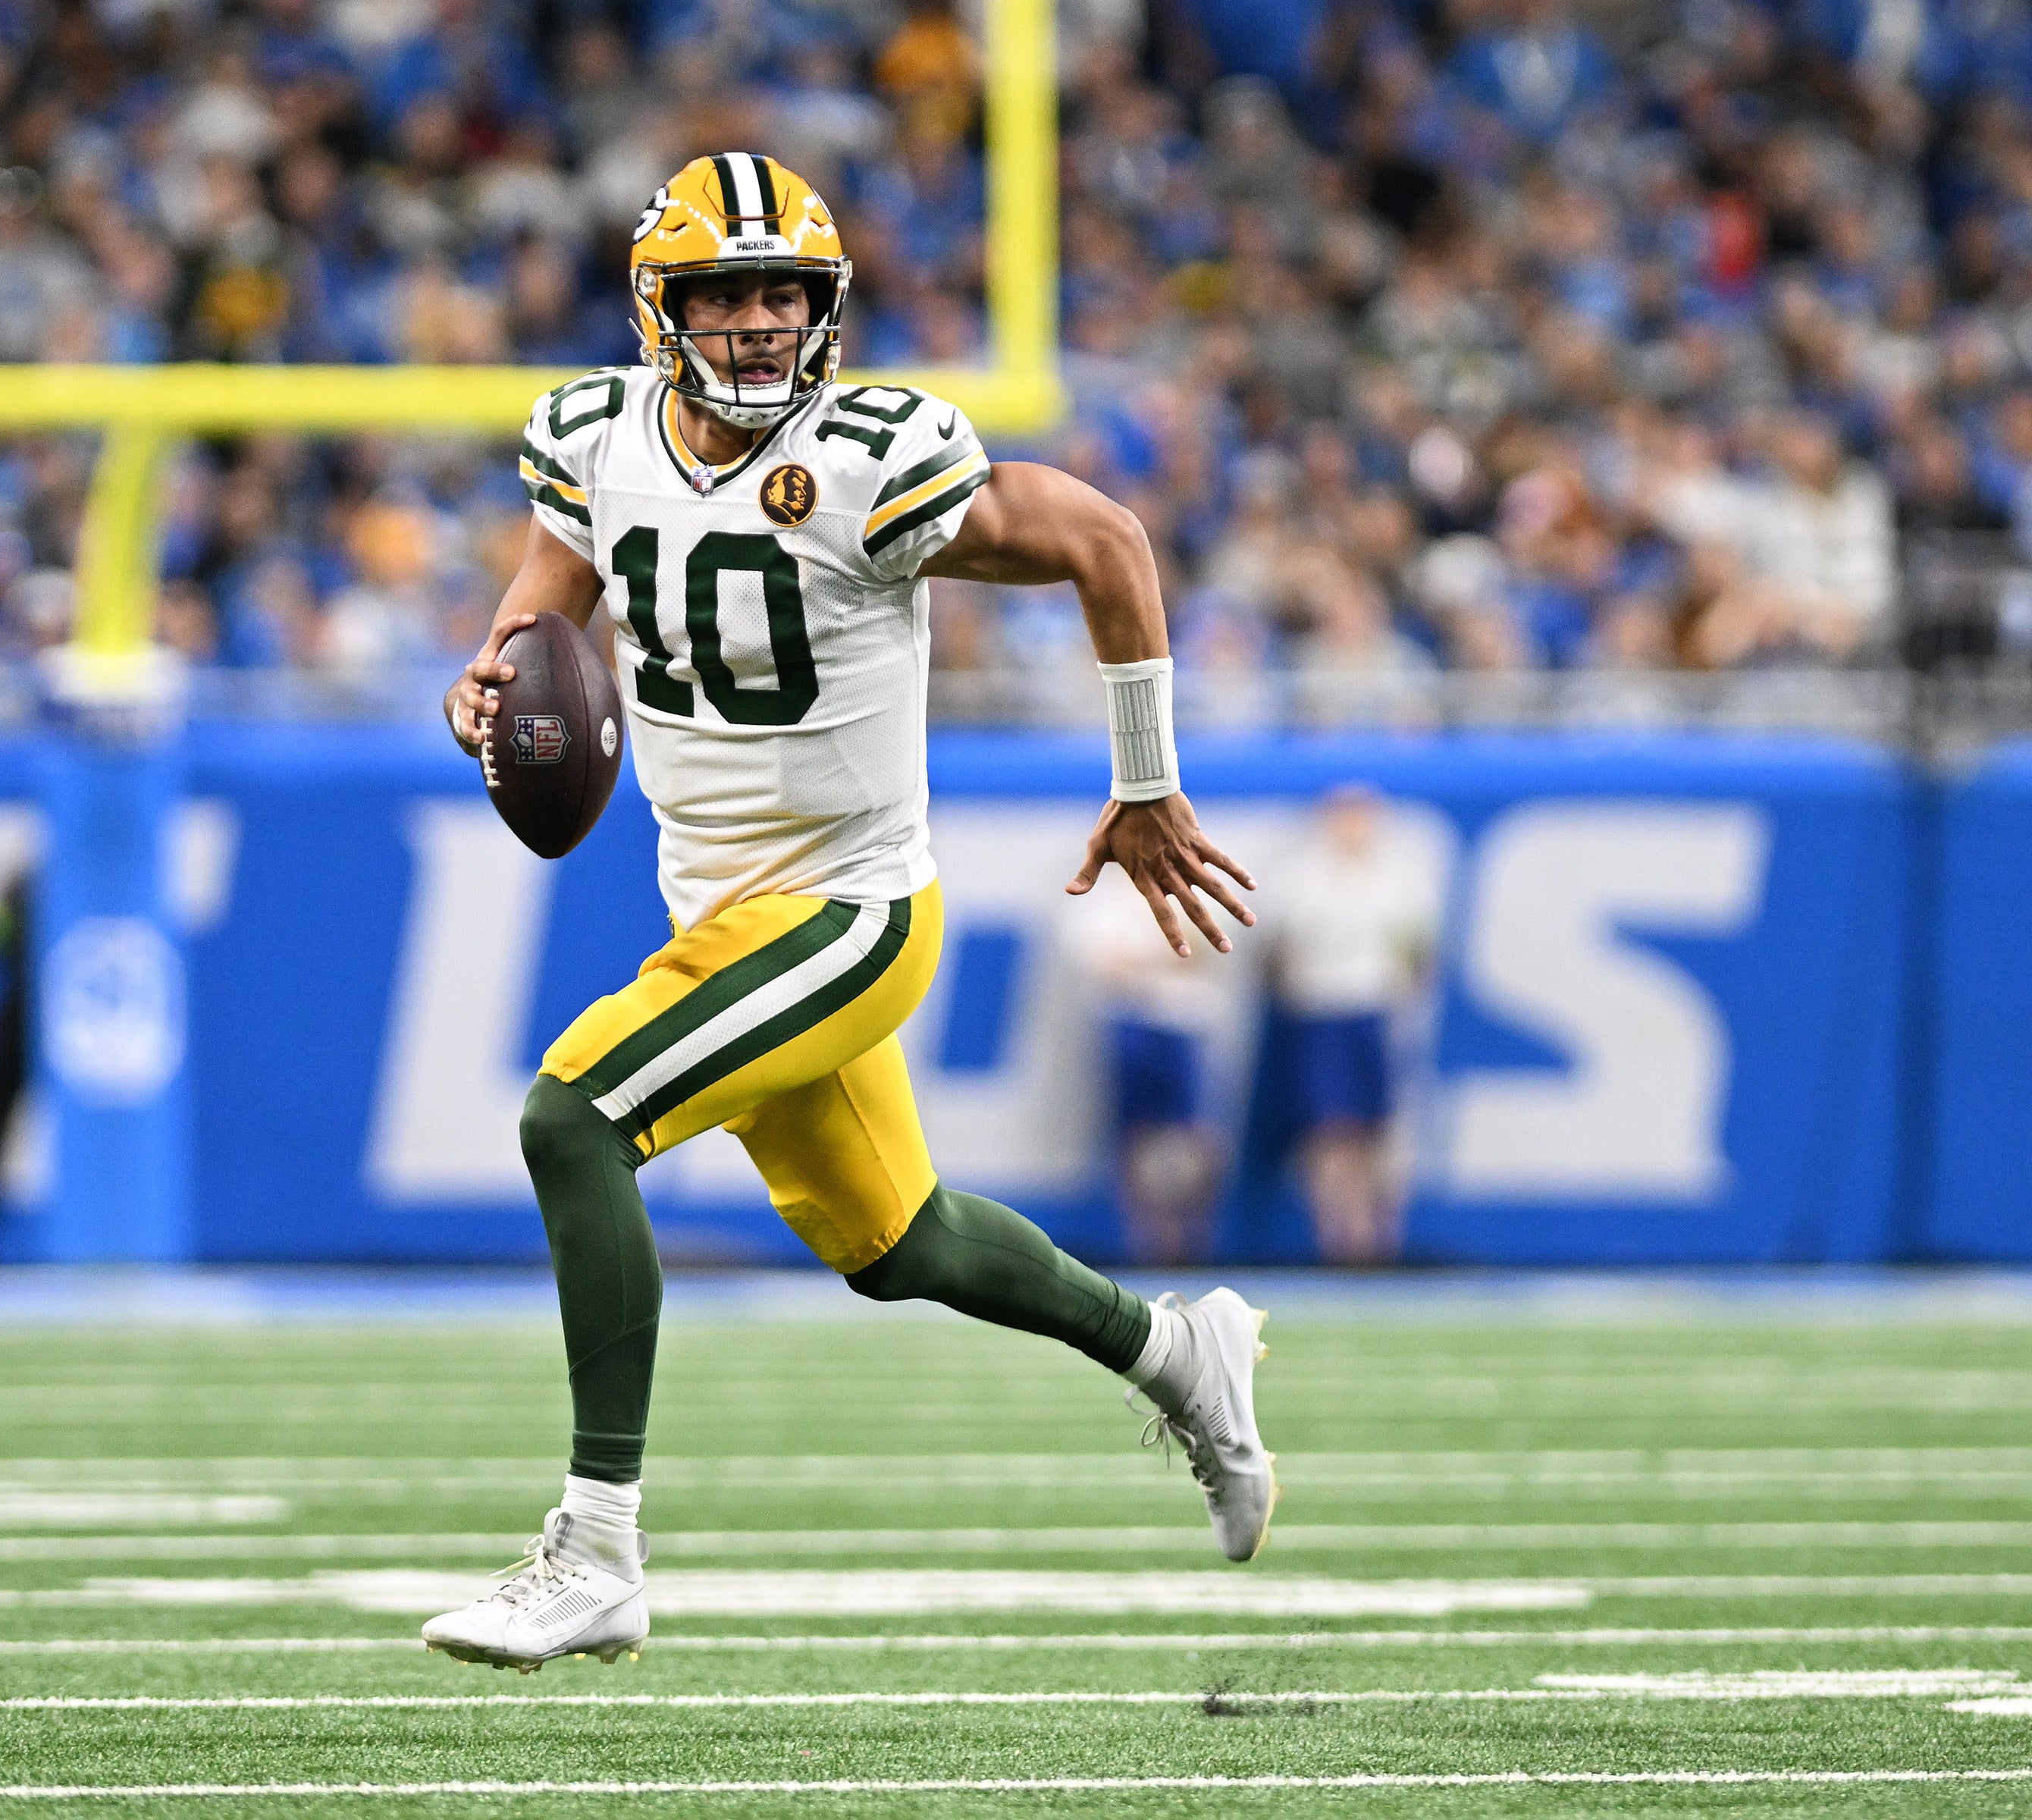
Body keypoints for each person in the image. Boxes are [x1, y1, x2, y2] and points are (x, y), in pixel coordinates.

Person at [428, 154, 1270, 1672]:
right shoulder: (594, 441)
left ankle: (599, 1546)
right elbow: (541, 606)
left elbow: (1106, 544)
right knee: (899, 1243)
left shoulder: (880, 454)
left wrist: (1144, 778)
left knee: (573, 1119)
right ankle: (1178, 1352)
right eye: (724, 294)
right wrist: (488, 682)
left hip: (848, 912)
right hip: (723, 910)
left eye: (783, 295)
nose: (757, 324)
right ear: (656, 307)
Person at [1263, 784, 1439, 1265]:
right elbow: (1278, 952)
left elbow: (1420, 953)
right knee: (1330, 1131)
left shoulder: (1398, 877)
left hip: (1375, 1008)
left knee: (1378, 1132)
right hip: (1320, 1010)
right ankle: (1337, 1238)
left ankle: (1379, 1239)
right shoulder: (1303, 876)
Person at [1062, 878, 1228, 1263]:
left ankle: (1192, 1241)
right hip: (1132, 1023)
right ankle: (1149, 1242)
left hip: (1185, 1022)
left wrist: (1145, 960)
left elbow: (1205, 947)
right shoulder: (1101, 895)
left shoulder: (1191, 885)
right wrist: (1164, 956)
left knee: (1196, 1138)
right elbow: (1107, 965)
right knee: (1136, 1137)